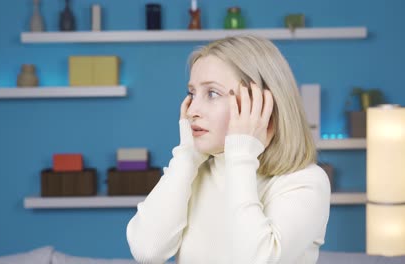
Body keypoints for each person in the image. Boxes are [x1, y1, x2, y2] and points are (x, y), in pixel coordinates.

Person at [126, 34, 331, 264]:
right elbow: (147, 252)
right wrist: (186, 157)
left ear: (262, 104)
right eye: (192, 94)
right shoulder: (192, 173)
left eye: (212, 93)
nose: (192, 109)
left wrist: (241, 156)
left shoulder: (305, 182)